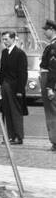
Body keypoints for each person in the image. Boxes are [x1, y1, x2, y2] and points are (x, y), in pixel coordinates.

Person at [0, 31, 28, 145]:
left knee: (16, 112)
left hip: (15, 87)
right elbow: (2, 71)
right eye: (3, 40)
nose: (4, 42)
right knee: (6, 111)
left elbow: (23, 73)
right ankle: (10, 136)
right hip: (5, 86)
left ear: (13, 39)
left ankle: (18, 137)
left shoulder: (20, 53)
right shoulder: (4, 53)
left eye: (6, 39)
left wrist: (20, 90)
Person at [40, 20, 56, 151]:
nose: (44, 32)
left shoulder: (54, 46)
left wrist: (50, 87)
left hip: (50, 81)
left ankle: (55, 141)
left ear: (52, 30)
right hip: (48, 79)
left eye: (46, 30)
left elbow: (53, 69)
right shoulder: (50, 45)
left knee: (52, 113)